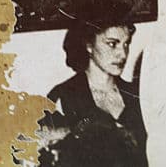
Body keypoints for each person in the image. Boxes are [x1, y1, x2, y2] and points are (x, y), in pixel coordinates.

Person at [39, 19, 147, 166]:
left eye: (126, 44)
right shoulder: (64, 96)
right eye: (112, 44)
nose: (122, 54)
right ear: (89, 44)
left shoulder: (136, 94)